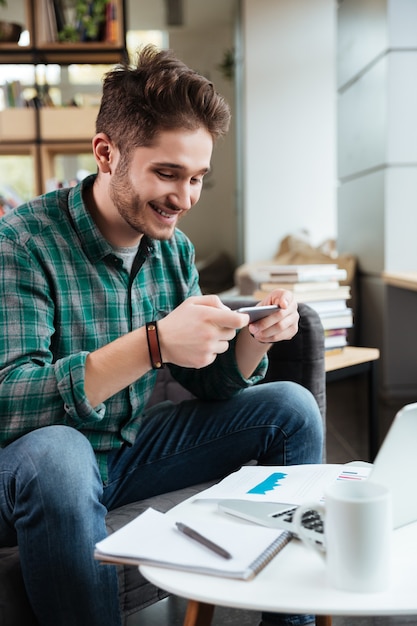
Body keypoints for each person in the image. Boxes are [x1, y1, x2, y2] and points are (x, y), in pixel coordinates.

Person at [0, 45, 323, 626]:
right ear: (106, 153)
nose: (185, 198)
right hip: (35, 469)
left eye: (197, 177)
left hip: (126, 452)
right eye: (168, 173)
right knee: (61, 451)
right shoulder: (22, 242)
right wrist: (153, 343)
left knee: (291, 408)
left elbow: (208, 384)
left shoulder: (172, 249)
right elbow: (10, 403)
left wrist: (256, 338)